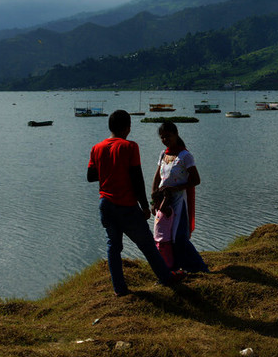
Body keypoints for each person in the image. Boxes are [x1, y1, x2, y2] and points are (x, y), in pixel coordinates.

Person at [88, 110, 181, 296]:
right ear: (127, 127)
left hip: (105, 204)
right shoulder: (130, 146)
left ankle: (120, 290)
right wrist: (145, 206)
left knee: (113, 247)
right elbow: (137, 178)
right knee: (146, 244)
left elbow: (91, 176)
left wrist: (109, 170)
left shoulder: (97, 148)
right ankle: (166, 277)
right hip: (126, 205)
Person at [151, 121, 209, 273]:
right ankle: (174, 268)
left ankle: (199, 268)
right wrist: (154, 199)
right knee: (166, 238)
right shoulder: (163, 154)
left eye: (168, 136)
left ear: (176, 135)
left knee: (179, 237)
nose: (165, 140)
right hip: (165, 202)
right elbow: (157, 178)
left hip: (180, 201)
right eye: (162, 137)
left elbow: (196, 180)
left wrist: (174, 188)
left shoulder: (185, 156)